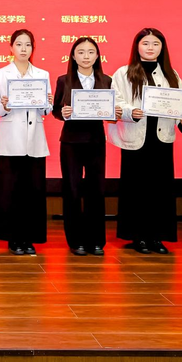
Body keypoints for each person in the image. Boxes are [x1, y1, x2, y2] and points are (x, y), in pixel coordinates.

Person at [108, 28, 182, 255]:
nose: (150, 48)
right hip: (136, 139)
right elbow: (116, 101)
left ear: (162, 48)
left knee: (160, 190)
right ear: (137, 46)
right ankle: (138, 237)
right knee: (136, 190)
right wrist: (130, 111)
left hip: (161, 139)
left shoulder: (171, 74)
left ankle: (157, 237)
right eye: (145, 43)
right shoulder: (123, 73)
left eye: (155, 44)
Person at [0, 29, 53, 255]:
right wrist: (4, 106)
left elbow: (46, 109)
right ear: (11, 47)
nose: (23, 49)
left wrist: (48, 103)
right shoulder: (0, 74)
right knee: (10, 190)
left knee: (33, 190)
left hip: (35, 140)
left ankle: (29, 238)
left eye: (28, 45)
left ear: (33, 48)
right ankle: (14, 239)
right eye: (19, 44)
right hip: (10, 140)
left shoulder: (42, 74)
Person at [52, 36, 118, 256]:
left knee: (96, 190)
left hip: (96, 141)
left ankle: (96, 240)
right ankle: (75, 240)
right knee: (72, 190)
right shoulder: (64, 80)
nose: (86, 56)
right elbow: (55, 110)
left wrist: (114, 113)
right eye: (81, 52)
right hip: (71, 142)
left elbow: (110, 111)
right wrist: (63, 113)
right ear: (73, 56)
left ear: (97, 56)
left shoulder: (107, 80)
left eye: (91, 52)